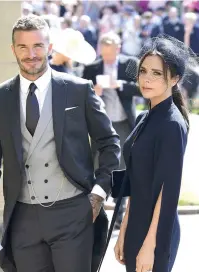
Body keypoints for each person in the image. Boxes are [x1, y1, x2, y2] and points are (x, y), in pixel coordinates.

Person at [0, 15, 120, 272]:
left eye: (38, 46)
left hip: (73, 213)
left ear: (50, 48)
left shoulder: (78, 89)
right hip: (23, 220)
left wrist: (98, 194)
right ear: (13, 50)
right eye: (23, 47)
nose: (31, 54)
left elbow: (109, 143)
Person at [114, 37, 199, 272]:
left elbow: (167, 191)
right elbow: (136, 180)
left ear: (175, 79)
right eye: (143, 71)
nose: (147, 78)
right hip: (137, 225)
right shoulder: (144, 118)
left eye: (157, 73)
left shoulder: (172, 124)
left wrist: (150, 245)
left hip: (157, 233)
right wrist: (124, 232)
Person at [82, 32, 141, 230]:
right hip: (101, 125)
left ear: (118, 49)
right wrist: (93, 91)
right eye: (104, 54)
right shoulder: (92, 68)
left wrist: (121, 85)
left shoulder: (129, 64)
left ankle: (119, 213)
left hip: (124, 122)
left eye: (110, 54)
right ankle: (97, 210)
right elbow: (82, 92)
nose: (107, 57)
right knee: (99, 165)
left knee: (122, 167)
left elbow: (143, 88)